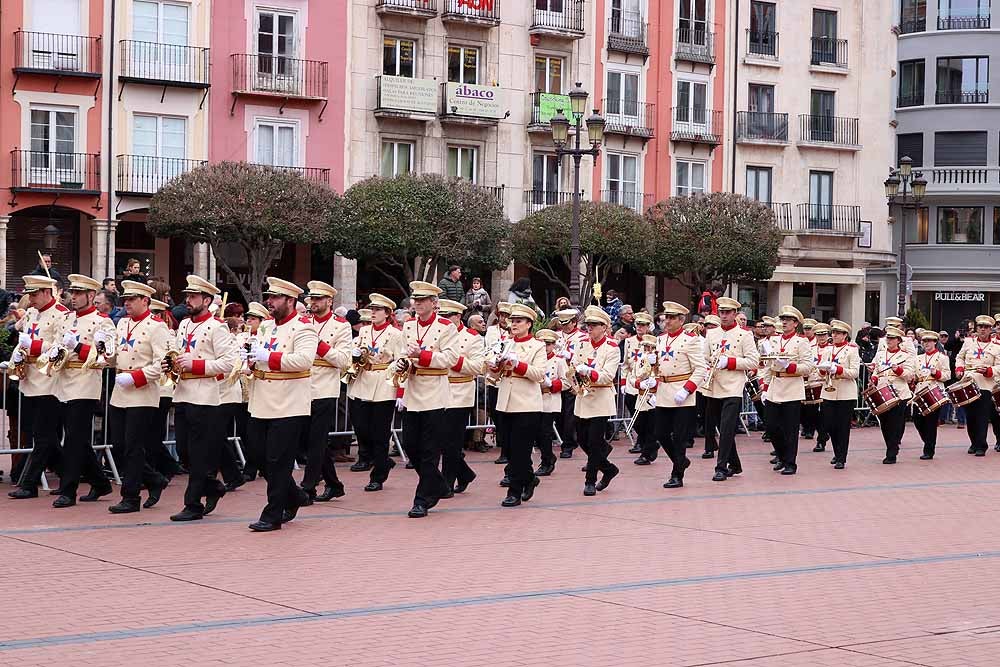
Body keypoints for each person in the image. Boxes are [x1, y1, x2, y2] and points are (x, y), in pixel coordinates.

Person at [244, 278, 316, 531]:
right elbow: (258, 357)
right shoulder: (265, 326)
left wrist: (270, 357)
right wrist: (251, 360)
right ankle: (294, 495)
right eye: (269, 297)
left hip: (289, 402)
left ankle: (273, 514)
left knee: (278, 460)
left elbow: (304, 360)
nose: (269, 302)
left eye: (275, 298)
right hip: (262, 398)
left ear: (290, 300)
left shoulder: (304, 327)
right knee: (257, 455)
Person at [165, 276, 237, 522]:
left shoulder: (218, 327)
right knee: (184, 451)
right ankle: (213, 487)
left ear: (207, 300)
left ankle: (192, 503)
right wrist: (170, 362)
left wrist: (196, 365)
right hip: (183, 391)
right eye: (188, 296)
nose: (188, 300)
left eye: (194, 297)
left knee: (197, 453)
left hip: (205, 395)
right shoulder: (184, 324)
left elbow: (229, 362)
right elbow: (177, 352)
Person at [45, 275, 118, 508]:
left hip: (86, 383)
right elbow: (57, 345)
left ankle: (68, 490)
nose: (73, 298)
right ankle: (100, 482)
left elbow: (106, 358)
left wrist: (77, 346)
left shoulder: (103, 322)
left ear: (90, 296)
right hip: (63, 381)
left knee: (74, 440)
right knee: (78, 438)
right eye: (72, 293)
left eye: (78, 294)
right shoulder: (66, 319)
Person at [395, 281, 459, 518]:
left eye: (423, 300)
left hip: (434, 392)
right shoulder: (409, 325)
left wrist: (422, 355)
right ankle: (439, 485)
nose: (418, 304)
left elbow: (450, 359)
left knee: (430, 450)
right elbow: (402, 352)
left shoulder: (445, 327)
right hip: (413, 390)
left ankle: (422, 499)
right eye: (416, 300)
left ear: (434, 303)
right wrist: (402, 363)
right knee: (411, 445)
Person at [105, 281, 170, 513]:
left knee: (133, 446)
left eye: (132, 299)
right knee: (119, 445)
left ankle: (131, 497)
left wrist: (137, 377)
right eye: (126, 299)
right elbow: (115, 356)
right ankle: (154, 480)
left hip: (142, 392)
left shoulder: (157, 327)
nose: (127, 303)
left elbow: (164, 363)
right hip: (120, 390)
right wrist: (104, 352)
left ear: (145, 301)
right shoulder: (122, 323)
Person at [5, 276, 69, 499]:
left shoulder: (62, 314)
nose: (30, 299)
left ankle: (29, 483)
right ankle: (80, 475)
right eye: (29, 294)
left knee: (43, 436)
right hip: (29, 379)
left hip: (49, 380)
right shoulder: (32, 312)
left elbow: (62, 347)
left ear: (46, 292)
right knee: (43, 435)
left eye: (33, 294)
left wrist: (35, 345)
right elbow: (19, 332)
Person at [298, 281, 352, 502]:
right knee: (304, 440)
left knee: (317, 440)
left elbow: (343, 359)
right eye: (312, 298)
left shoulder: (341, 326)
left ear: (329, 301)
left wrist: (319, 345)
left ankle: (308, 486)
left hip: (325, 387)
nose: (314, 302)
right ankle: (333, 483)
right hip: (301, 385)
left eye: (319, 299)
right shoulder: (302, 322)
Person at [490, 304, 546, 506]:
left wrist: (519, 365)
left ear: (529, 324)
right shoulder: (505, 343)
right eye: (512, 321)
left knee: (520, 450)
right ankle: (529, 479)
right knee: (510, 448)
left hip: (527, 403)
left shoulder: (537, 346)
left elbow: (540, 374)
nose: (513, 324)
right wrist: (494, 366)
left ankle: (514, 491)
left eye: (518, 321)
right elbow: (493, 376)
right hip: (505, 401)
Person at [348, 293, 405, 492]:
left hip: (383, 383)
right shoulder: (364, 331)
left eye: (377, 310)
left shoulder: (396, 334)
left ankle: (378, 476)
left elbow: (402, 360)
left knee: (380, 433)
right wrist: (354, 356)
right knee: (362, 429)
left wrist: (399, 390)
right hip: (364, 380)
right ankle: (382, 460)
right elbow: (356, 351)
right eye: (372, 309)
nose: (373, 313)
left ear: (387, 313)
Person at [646, 302, 706, 488]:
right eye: (666, 317)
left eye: (672, 318)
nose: (667, 321)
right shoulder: (660, 339)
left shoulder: (691, 340)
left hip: (682, 394)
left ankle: (677, 475)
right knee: (661, 433)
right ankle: (680, 461)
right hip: (664, 391)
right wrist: (653, 383)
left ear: (681, 320)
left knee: (680, 437)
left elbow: (700, 368)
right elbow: (658, 367)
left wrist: (687, 389)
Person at [701, 297, 759, 482]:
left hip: (733, 386)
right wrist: (710, 365)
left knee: (727, 428)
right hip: (714, 384)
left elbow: (753, 361)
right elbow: (704, 357)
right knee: (718, 424)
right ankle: (735, 464)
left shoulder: (745, 334)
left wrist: (731, 362)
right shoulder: (711, 334)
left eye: (727, 313)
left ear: (735, 314)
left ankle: (721, 467)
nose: (724, 316)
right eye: (721, 312)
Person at [570, 306, 621, 496]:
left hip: (601, 398)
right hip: (583, 397)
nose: (589, 328)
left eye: (594, 325)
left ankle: (590, 480)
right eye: (588, 325)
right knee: (582, 439)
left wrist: (589, 372)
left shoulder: (612, 348)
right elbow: (573, 366)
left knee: (593, 441)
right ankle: (608, 469)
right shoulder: (582, 343)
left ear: (604, 327)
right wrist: (575, 373)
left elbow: (608, 375)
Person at [438, 299, 484, 494]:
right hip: (438, 390)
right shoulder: (437, 334)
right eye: (442, 316)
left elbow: (478, 366)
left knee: (452, 441)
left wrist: (454, 362)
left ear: (458, 317)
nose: (445, 320)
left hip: (460, 391)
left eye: (448, 316)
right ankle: (464, 473)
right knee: (440, 440)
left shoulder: (472, 337)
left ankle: (447, 482)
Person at [761, 306, 814, 475]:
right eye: (782, 319)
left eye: (788, 320)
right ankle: (782, 456)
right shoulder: (774, 341)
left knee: (790, 429)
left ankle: (790, 462)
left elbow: (808, 367)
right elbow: (768, 366)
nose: (783, 322)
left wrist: (790, 366)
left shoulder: (801, 341)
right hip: (775, 385)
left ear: (795, 323)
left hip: (791, 386)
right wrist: (765, 387)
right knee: (771, 426)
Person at [955, 315, 1000, 456]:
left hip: (985, 384)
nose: (982, 329)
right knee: (971, 416)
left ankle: (982, 445)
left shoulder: (996, 347)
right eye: (980, 327)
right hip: (968, 383)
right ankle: (974, 442)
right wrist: (959, 368)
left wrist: (989, 370)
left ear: (990, 330)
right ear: (976, 328)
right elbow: (959, 357)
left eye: (986, 327)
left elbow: (999, 366)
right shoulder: (968, 343)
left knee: (982, 416)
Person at [817, 320, 860, 469]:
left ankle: (841, 456)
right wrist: (822, 370)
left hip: (845, 393)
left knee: (842, 426)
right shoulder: (828, 350)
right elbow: (820, 370)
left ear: (845, 335)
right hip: (829, 391)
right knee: (830, 424)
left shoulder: (852, 350)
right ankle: (837, 451)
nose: (834, 335)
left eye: (838, 333)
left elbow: (855, 372)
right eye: (833, 333)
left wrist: (839, 370)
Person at [870, 327, 916, 464]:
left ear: (899, 341)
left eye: (892, 338)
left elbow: (910, 376)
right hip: (882, 391)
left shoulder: (906, 356)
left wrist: (899, 370)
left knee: (895, 423)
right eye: (888, 338)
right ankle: (891, 446)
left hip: (899, 393)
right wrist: (873, 379)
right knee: (884, 422)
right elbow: (876, 371)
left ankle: (892, 451)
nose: (889, 340)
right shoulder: (880, 355)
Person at [912, 331, 950, 460]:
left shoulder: (942, 357)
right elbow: (915, 375)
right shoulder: (918, 358)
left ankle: (929, 449)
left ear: (935, 342)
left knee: (931, 422)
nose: (926, 343)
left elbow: (947, 376)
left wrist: (937, 373)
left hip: (934, 391)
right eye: (924, 341)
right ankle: (927, 440)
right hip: (920, 391)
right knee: (917, 419)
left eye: (929, 341)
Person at [622, 313, 656, 458]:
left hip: (648, 384)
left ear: (649, 327)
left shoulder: (655, 341)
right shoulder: (629, 341)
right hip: (632, 382)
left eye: (643, 325)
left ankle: (646, 445)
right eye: (637, 325)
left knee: (646, 418)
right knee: (635, 416)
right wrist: (623, 382)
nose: (639, 328)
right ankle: (643, 440)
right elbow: (625, 364)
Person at [555, 308, 587, 458]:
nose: (564, 326)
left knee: (569, 414)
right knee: (559, 414)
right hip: (557, 377)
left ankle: (568, 445)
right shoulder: (555, 336)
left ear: (574, 322)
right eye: (562, 323)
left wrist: (571, 356)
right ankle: (566, 439)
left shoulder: (582, 337)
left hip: (573, 378)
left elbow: (585, 357)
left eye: (567, 323)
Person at [535, 329, 565, 476]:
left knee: (545, 433)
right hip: (534, 398)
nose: (545, 347)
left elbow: (566, 382)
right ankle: (548, 457)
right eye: (542, 344)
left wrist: (552, 384)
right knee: (536, 434)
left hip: (550, 399)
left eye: (548, 344)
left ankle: (546, 461)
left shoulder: (558, 361)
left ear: (553, 345)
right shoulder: (535, 359)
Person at [485, 302, 511, 462]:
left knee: (505, 414)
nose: (503, 318)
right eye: (501, 315)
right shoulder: (491, 330)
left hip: (506, 378)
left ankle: (506, 450)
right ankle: (503, 441)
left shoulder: (513, 332)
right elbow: (488, 347)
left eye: (507, 316)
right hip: (494, 376)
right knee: (495, 412)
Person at [806, 323, 832, 452]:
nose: (821, 337)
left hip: (827, 383)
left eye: (824, 334)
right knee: (811, 413)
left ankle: (821, 440)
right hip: (813, 382)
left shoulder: (833, 349)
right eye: (819, 335)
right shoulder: (810, 348)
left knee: (825, 413)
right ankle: (822, 433)